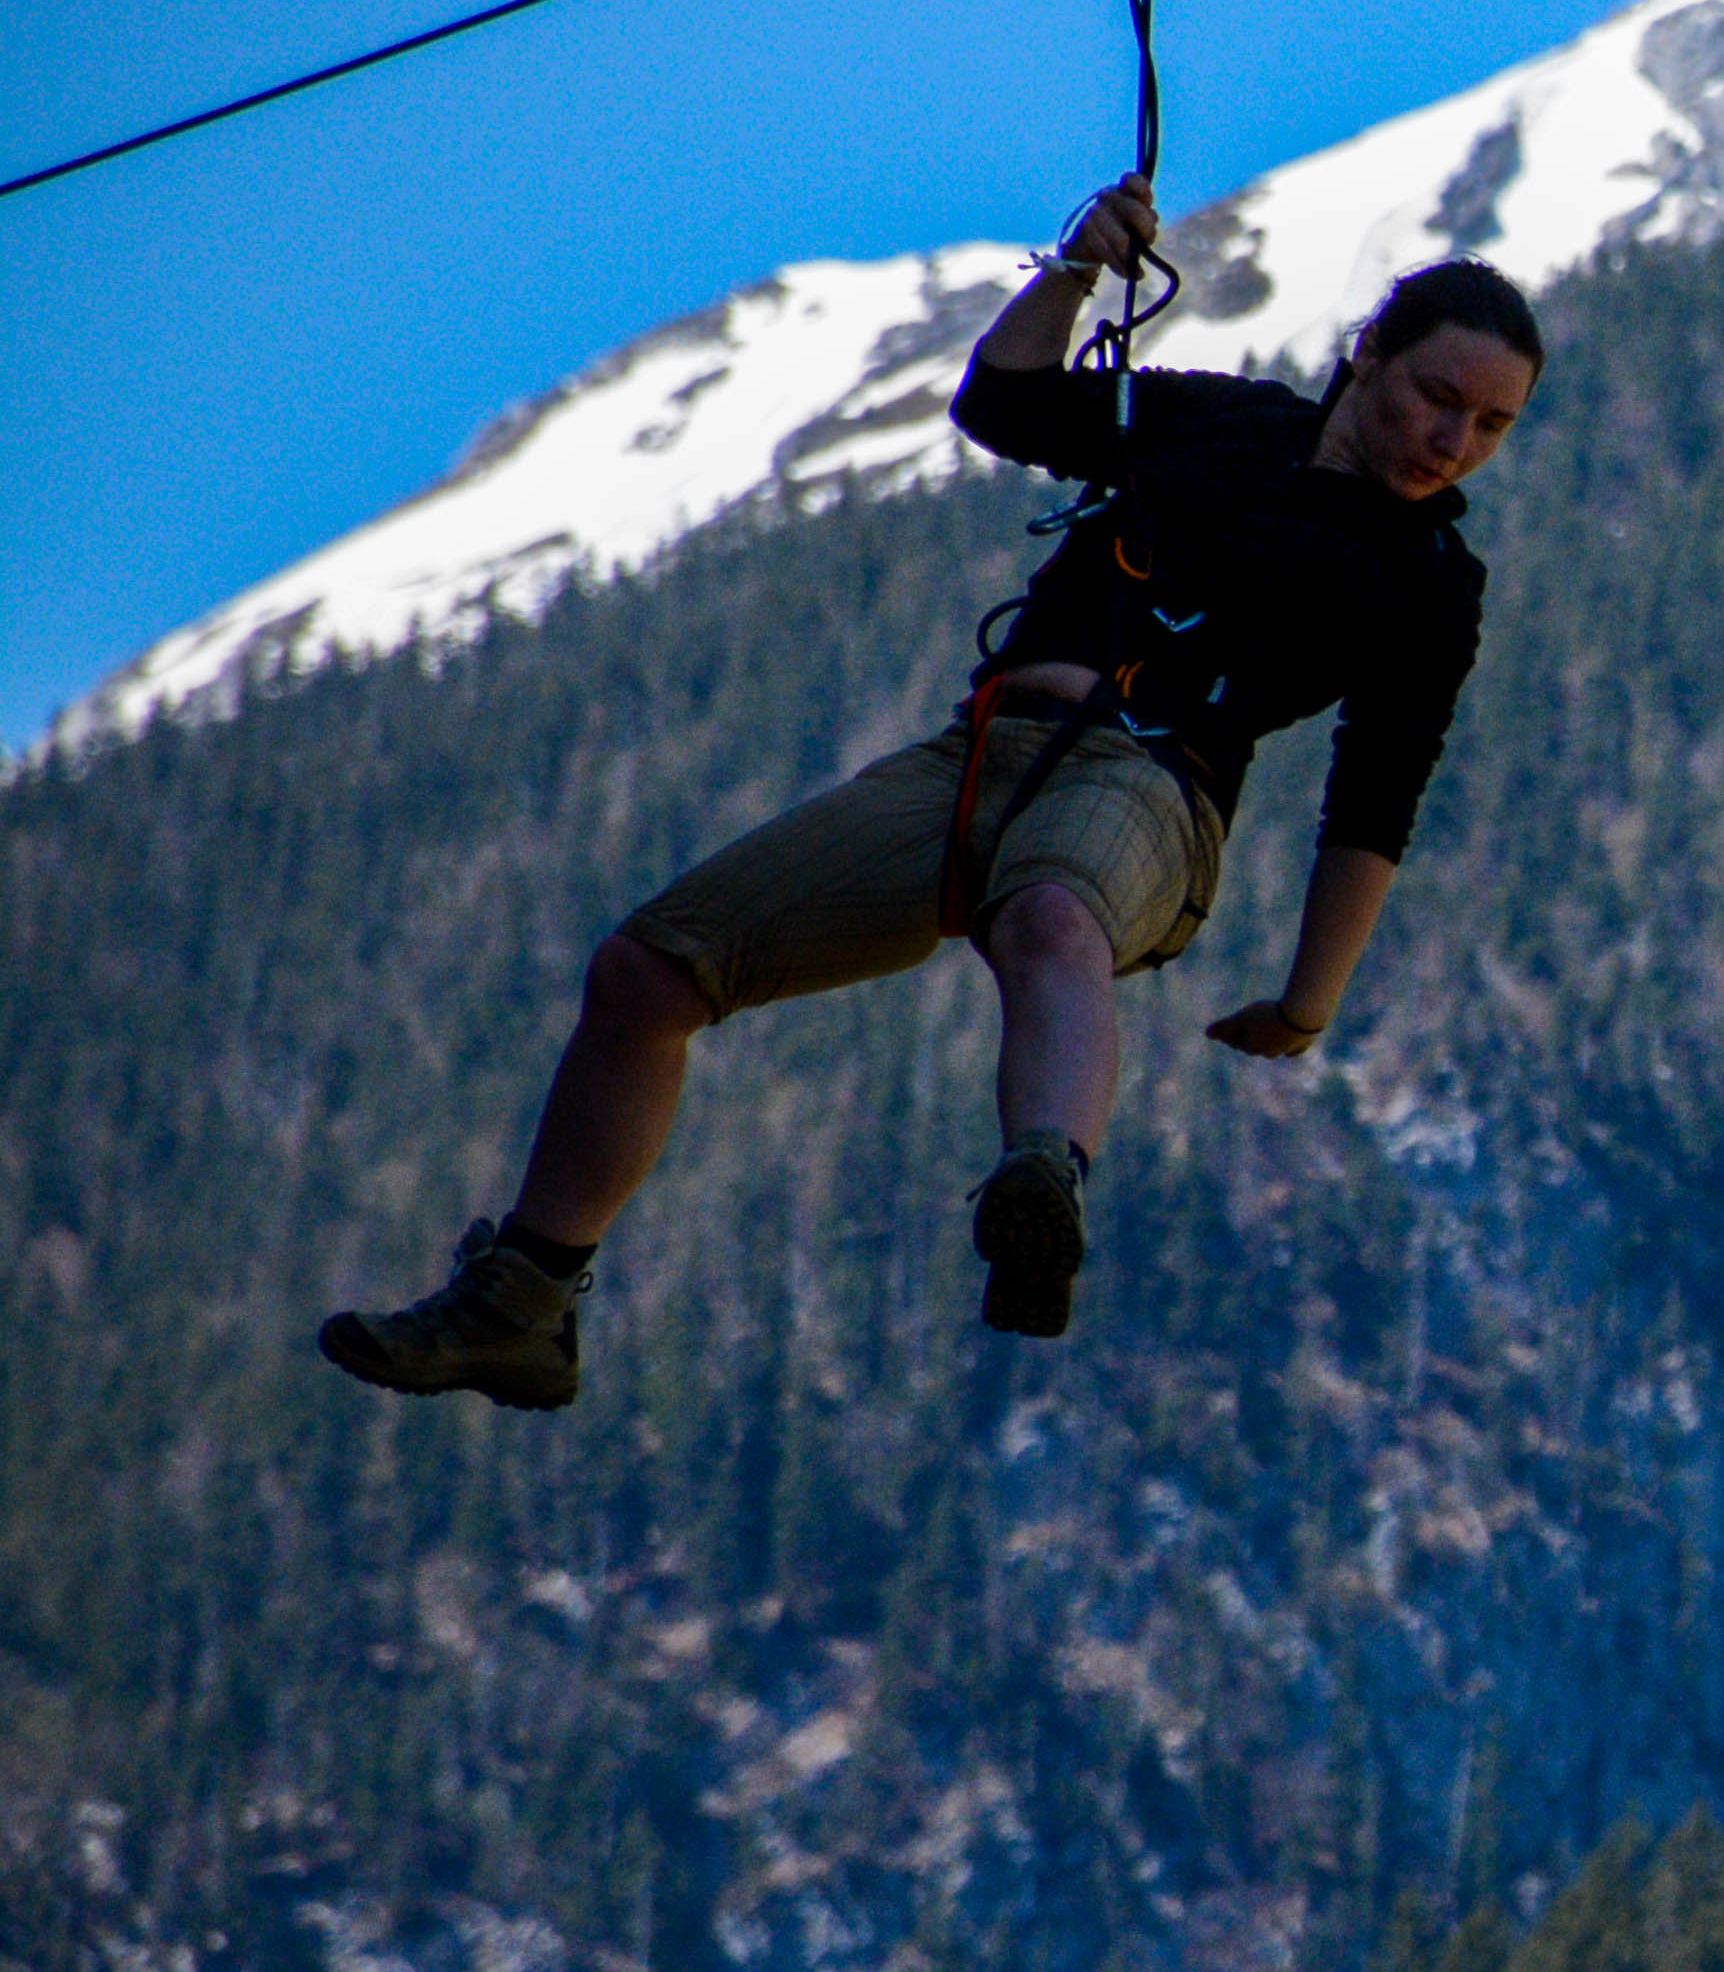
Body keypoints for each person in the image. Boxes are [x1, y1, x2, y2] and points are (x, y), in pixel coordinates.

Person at [319, 181, 1537, 1401]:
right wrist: (1076, 266)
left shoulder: (1432, 580)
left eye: (1491, 425)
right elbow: (1003, 403)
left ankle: (1044, 1182)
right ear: (1368, 353)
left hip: (1155, 789)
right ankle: (525, 1305)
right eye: (1439, 398)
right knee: (646, 974)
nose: (1455, 442)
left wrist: (1308, 1005)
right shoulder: (1224, 420)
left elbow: (1375, 799)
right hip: (977, 757)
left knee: (1050, 917)